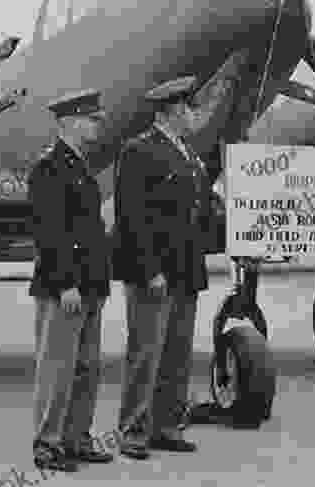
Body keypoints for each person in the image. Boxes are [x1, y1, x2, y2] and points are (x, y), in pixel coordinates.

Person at [113, 75, 210, 459]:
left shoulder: (187, 152)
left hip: (185, 271)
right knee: (146, 353)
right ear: (174, 111)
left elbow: (196, 214)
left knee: (177, 353)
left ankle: (167, 426)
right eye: (191, 109)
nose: (196, 116)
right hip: (153, 274)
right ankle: (133, 430)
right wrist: (149, 269)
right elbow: (131, 217)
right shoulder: (139, 150)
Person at [28, 89, 114, 471]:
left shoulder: (80, 167)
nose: (96, 125)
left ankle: (77, 437)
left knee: (87, 367)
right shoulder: (49, 168)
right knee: (58, 367)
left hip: (90, 286)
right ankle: (47, 443)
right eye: (89, 119)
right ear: (67, 123)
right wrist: (65, 284)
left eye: (96, 119)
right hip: (65, 287)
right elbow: (50, 233)